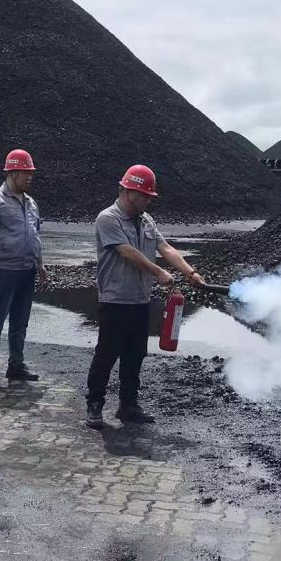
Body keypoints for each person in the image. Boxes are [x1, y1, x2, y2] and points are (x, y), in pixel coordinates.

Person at [84, 165, 206, 430]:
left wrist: (190, 272)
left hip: (140, 300)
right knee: (106, 355)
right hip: (115, 300)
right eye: (145, 195)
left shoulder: (146, 220)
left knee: (135, 355)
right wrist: (158, 272)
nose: (149, 200)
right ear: (129, 192)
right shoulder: (108, 219)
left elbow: (165, 248)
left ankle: (128, 405)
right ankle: (94, 404)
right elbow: (127, 252)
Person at [0, 148, 47, 389]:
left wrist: (40, 263)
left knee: (20, 321)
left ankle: (16, 366)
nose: (30, 177)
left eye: (31, 173)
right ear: (13, 172)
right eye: (26, 173)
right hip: (3, 269)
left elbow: (35, 234)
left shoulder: (31, 202)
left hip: (27, 270)